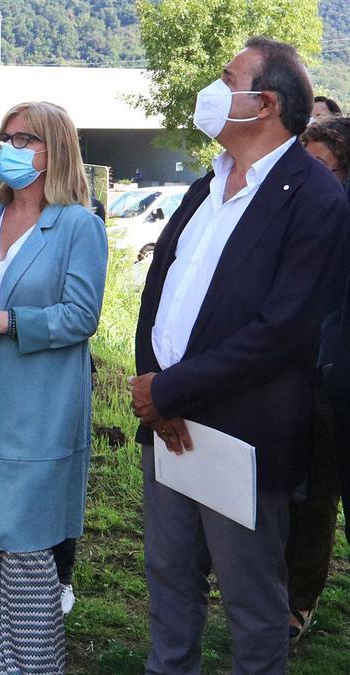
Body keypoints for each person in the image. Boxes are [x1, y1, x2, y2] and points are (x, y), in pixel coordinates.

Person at [130, 37, 349, 673]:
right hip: (167, 427)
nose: (213, 90)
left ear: (265, 104)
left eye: (228, 79)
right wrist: (153, 380)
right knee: (169, 586)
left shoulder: (314, 199)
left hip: (241, 437)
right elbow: (162, 288)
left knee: (252, 607)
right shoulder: (208, 183)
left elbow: (280, 331)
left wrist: (169, 391)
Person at [0, 101, 107, 675]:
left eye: (22, 138)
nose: (6, 147)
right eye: (4, 137)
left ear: (54, 149)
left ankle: (36, 666)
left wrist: (2, 322)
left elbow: (81, 317)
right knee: (3, 541)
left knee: (28, 548)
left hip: (37, 406)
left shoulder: (79, 223)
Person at [290, 116, 350, 642]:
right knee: (302, 498)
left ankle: (300, 601)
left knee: (319, 498)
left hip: (336, 384)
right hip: (299, 378)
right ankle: (292, 599)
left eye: (322, 168)